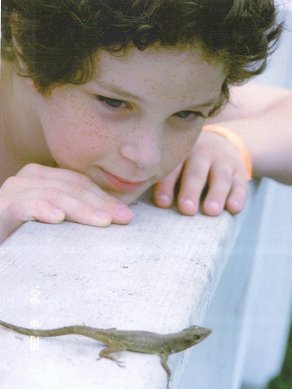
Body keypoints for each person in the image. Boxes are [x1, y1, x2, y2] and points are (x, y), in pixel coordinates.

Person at [1, 0, 291, 244]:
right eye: (114, 103)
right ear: (28, 46)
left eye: (186, 115)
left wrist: (229, 142)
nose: (146, 156)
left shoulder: (165, 85)